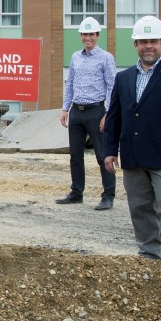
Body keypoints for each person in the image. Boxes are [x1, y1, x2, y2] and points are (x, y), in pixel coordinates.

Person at [104, 16, 161, 270]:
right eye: (143, 41)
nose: (148, 46)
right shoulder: (123, 78)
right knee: (140, 208)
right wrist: (110, 151)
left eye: (153, 41)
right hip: (133, 156)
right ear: (135, 44)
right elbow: (114, 117)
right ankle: (149, 254)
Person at [56, 17, 117, 210]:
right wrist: (65, 108)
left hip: (97, 111)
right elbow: (70, 84)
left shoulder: (106, 57)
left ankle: (108, 195)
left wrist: (108, 113)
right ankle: (76, 193)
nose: (87, 38)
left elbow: (112, 86)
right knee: (75, 155)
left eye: (91, 34)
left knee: (102, 155)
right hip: (77, 111)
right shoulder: (75, 57)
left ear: (97, 35)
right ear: (81, 36)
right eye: (84, 34)